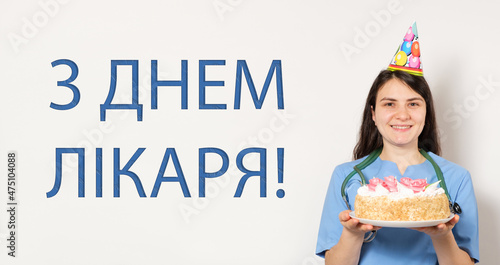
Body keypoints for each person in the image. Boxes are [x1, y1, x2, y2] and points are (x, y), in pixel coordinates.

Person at [315, 69, 479, 264]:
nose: (402, 115)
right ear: (373, 113)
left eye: (413, 104)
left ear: (426, 112)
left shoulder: (456, 178)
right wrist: (353, 233)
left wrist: (441, 235)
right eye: (390, 104)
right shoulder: (346, 176)